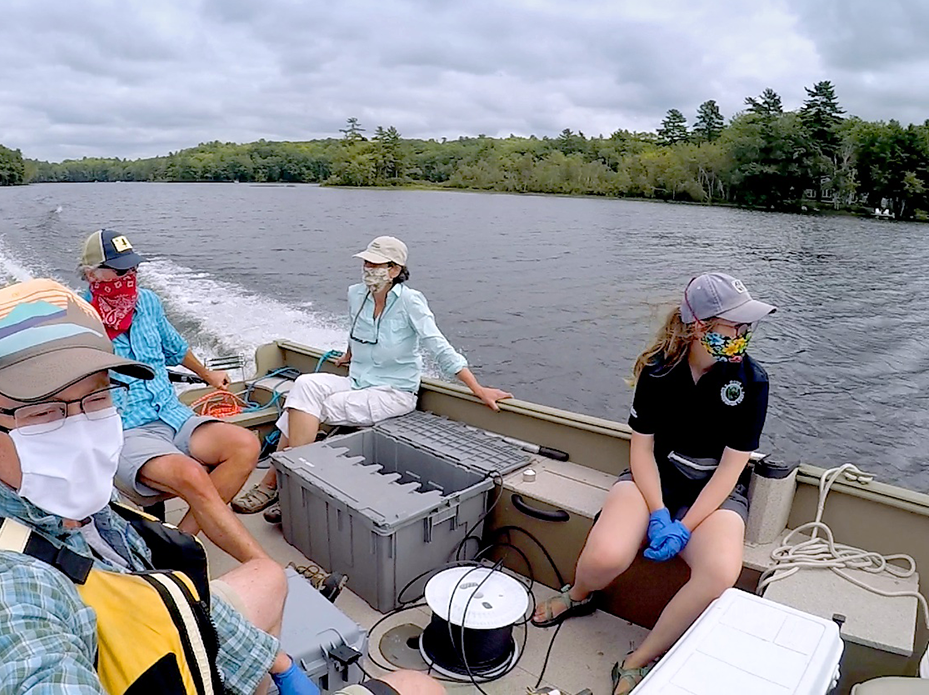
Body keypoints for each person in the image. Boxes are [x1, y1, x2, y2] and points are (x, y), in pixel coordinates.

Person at [0, 278, 316, 695]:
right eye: (43, 412)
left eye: (98, 398)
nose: (82, 433)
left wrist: (276, 662)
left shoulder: (61, 495)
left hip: (148, 618)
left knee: (268, 577)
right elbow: (21, 660)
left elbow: (138, 583)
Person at [529, 273, 776, 695]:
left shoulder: (752, 382)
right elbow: (641, 451)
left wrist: (684, 526)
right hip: (655, 477)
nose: (742, 334)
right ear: (701, 326)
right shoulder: (659, 370)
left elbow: (731, 469)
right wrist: (659, 512)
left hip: (714, 489)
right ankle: (581, 592)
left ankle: (640, 658)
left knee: (719, 571)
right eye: (734, 326)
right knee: (606, 555)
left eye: (745, 326)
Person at [233, 235, 512, 520]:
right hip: (358, 381)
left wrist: (477, 388)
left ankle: (279, 485)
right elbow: (355, 329)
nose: (368, 268)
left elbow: (437, 345)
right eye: (366, 262)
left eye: (375, 263)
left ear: (394, 269)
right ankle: (288, 483)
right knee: (305, 385)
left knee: (307, 411)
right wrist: (349, 354)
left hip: (393, 392)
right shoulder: (356, 294)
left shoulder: (410, 302)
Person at [79, 229, 266, 564]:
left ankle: (175, 544)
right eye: (121, 271)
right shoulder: (79, 317)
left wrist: (208, 375)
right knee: (193, 474)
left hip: (170, 413)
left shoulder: (147, 302)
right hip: (126, 428)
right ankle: (258, 562)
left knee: (245, 445)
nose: (130, 277)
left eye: (134, 269)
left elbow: (174, 347)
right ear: (93, 274)